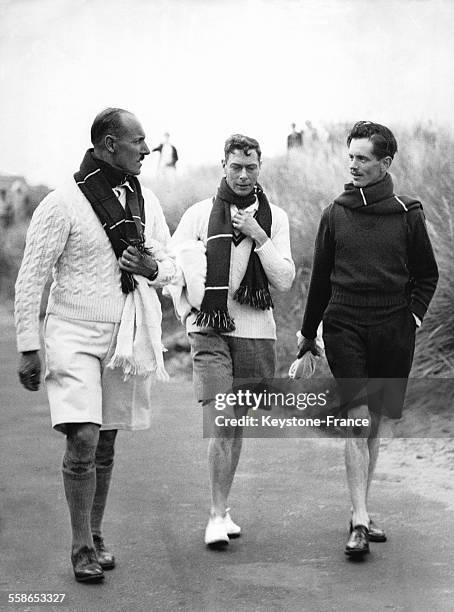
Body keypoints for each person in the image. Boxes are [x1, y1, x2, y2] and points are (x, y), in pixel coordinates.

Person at [14, 108, 176, 582]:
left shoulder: (146, 198)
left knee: (104, 439)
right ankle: (81, 546)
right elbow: (32, 278)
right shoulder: (63, 202)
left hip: (124, 336)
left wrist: (149, 269)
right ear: (109, 144)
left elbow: (170, 267)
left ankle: (96, 532)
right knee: (82, 435)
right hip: (71, 333)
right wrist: (29, 345)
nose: (148, 150)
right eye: (138, 141)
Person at [297, 121, 438, 557]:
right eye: (351, 157)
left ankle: (362, 507)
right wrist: (308, 336)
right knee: (357, 417)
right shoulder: (335, 214)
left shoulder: (407, 212)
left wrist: (411, 317)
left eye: (363, 158)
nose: (353, 165)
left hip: (393, 329)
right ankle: (358, 520)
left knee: (373, 422)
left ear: (385, 163)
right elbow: (319, 282)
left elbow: (426, 275)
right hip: (345, 327)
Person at [168, 134, 295, 547]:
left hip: (255, 330)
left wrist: (259, 236)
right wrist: (188, 312)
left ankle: (223, 508)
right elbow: (174, 269)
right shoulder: (198, 215)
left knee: (235, 423)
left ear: (260, 168)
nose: (243, 175)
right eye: (236, 166)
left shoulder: (275, 219)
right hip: (210, 331)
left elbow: (285, 280)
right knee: (221, 419)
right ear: (223, 165)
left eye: (251, 167)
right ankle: (215, 514)